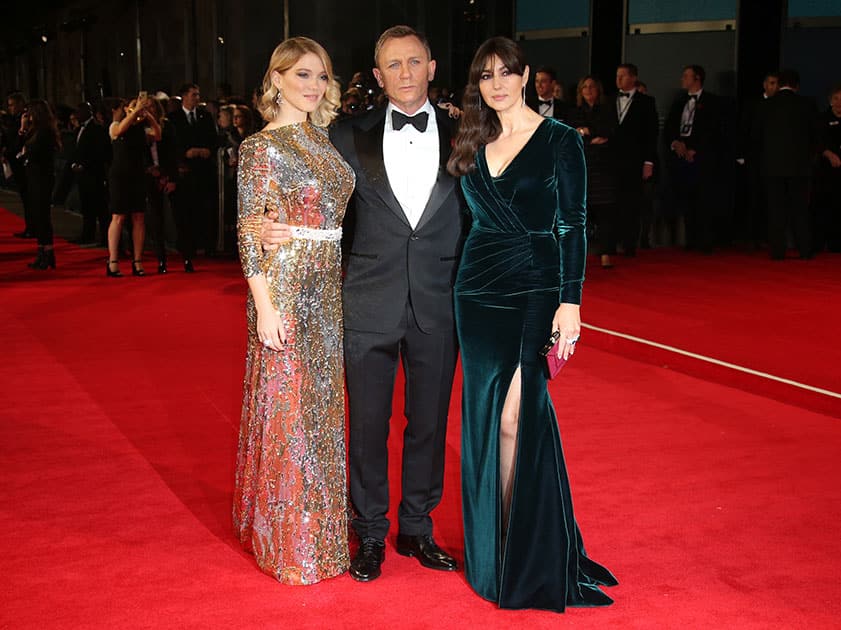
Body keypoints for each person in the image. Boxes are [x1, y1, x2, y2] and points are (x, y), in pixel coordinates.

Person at [261, 25, 464, 583]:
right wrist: (273, 225)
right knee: (368, 424)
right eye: (392, 65)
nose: (404, 73)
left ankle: (417, 527)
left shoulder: (466, 131)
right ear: (377, 76)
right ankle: (370, 531)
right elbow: (306, 185)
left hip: (439, 304)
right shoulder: (345, 135)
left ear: (431, 66)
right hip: (366, 302)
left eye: (414, 62)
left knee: (428, 424)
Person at [446, 36, 617, 612]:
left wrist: (571, 302)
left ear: (526, 77)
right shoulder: (472, 139)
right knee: (486, 420)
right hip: (476, 292)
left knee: (519, 418)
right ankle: (493, 552)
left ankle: (525, 552)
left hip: (536, 292)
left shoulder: (561, 141)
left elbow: (574, 224)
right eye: (485, 75)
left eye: (506, 73)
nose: (496, 84)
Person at [232, 36, 355, 585]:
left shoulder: (320, 137)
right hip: (286, 285)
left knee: (321, 412)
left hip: (327, 285)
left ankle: (322, 531)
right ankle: (291, 544)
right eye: (302, 75)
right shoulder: (262, 147)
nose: (314, 85)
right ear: (276, 78)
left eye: (322, 76)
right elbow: (247, 230)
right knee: (291, 413)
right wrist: (265, 307)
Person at [754, 68, 817, 260]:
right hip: (799, 167)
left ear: (779, 84)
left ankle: (777, 251)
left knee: (776, 210)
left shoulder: (766, 105)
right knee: (799, 209)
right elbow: (815, 135)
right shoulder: (807, 104)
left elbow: (757, 137)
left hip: (772, 167)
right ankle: (805, 249)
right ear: (796, 85)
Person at [664, 65, 727, 253]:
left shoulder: (713, 102)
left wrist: (696, 149)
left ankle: (706, 240)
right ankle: (690, 239)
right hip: (681, 158)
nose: (682, 79)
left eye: (686, 76)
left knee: (705, 199)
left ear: (697, 78)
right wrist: (676, 143)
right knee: (686, 197)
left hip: (704, 159)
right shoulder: (678, 102)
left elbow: (715, 131)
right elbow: (669, 128)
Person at [106, 96, 162, 277]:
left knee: (139, 217)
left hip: (138, 175)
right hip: (120, 176)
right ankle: (113, 261)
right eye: (128, 107)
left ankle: (137, 261)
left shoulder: (141, 130)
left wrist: (148, 115)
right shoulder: (115, 125)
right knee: (119, 217)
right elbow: (121, 129)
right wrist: (136, 111)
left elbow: (158, 134)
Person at [570, 75, 618, 268]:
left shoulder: (607, 110)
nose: (588, 90)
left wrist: (588, 132)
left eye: (592, 87)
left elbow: (610, 133)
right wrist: (590, 136)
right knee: (582, 213)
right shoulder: (575, 111)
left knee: (605, 212)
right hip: (581, 167)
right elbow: (573, 135)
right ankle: (580, 254)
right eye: (585, 87)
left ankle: (605, 252)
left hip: (603, 169)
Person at [169, 83, 218, 272]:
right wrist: (184, 154)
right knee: (184, 212)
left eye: (198, 95)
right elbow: (172, 144)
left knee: (203, 210)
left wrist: (207, 150)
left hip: (203, 171)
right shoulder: (174, 118)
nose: (196, 98)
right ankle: (186, 248)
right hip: (184, 172)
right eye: (193, 95)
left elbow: (212, 139)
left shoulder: (205, 117)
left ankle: (206, 246)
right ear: (184, 97)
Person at [612, 63, 658, 256]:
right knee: (612, 202)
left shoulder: (646, 102)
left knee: (632, 202)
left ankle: (630, 243)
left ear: (633, 78)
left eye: (623, 76)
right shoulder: (609, 100)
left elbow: (651, 133)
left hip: (634, 160)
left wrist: (648, 162)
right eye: (617, 76)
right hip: (612, 159)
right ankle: (612, 242)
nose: (619, 79)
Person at [20, 100, 61, 270]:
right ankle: (43, 251)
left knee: (42, 215)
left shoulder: (45, 131)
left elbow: (36, 152)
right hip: (35, 177)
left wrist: (26, 152)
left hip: (42, 178)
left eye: (29, 113)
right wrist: (23, 130)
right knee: (39, 215)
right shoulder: (35, 131)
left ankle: (47, 252)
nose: (28, 117)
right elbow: (19, 146)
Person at [69, 102, 111, 246]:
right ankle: (87, 235)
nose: (76, 115)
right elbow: (77, 150)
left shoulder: (96, 129)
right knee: (86, 207)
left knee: (100, 209)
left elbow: (99, 152)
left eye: (79, 111)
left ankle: (105, 238)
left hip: (94, 175)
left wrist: (84, 165)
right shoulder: (79, 129)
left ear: (88, 112)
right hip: (82, 176)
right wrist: (75, 163)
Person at [814, 83, 841, 252]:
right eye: (836, 99)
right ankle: (822, 241)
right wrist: (829, 154)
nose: (839, 103)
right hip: (827, 172)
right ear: (830, 101)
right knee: (826, 206)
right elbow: (817, 143)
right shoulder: (822, 119)